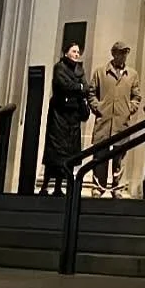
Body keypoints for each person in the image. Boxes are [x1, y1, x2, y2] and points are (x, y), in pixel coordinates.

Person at [91, 41, 143, 196]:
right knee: (100, 154)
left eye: (125, 53)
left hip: (122, 121)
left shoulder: (132, 74)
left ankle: (117, 187)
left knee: (119, 156)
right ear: (114, 53)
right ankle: (98, 187)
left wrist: (130, 108)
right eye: (121, 52)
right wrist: (98, 107)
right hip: (104, 121)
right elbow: (91, 92)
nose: (123, 56)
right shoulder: (100, 72)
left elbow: (137, 96)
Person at [42, 42, 94, 196]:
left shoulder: (80, 69)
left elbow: (86, 87)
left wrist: (78, 88)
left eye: (78, 52)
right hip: (59, 116)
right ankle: (46, 185)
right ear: (66, 53)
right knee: (55, 151)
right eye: (74, 51)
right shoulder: (59, 67)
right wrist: (77, 87)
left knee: (70, 152)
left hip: (74, 117)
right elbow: (64, 85)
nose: (77, 54)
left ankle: (62, 186)